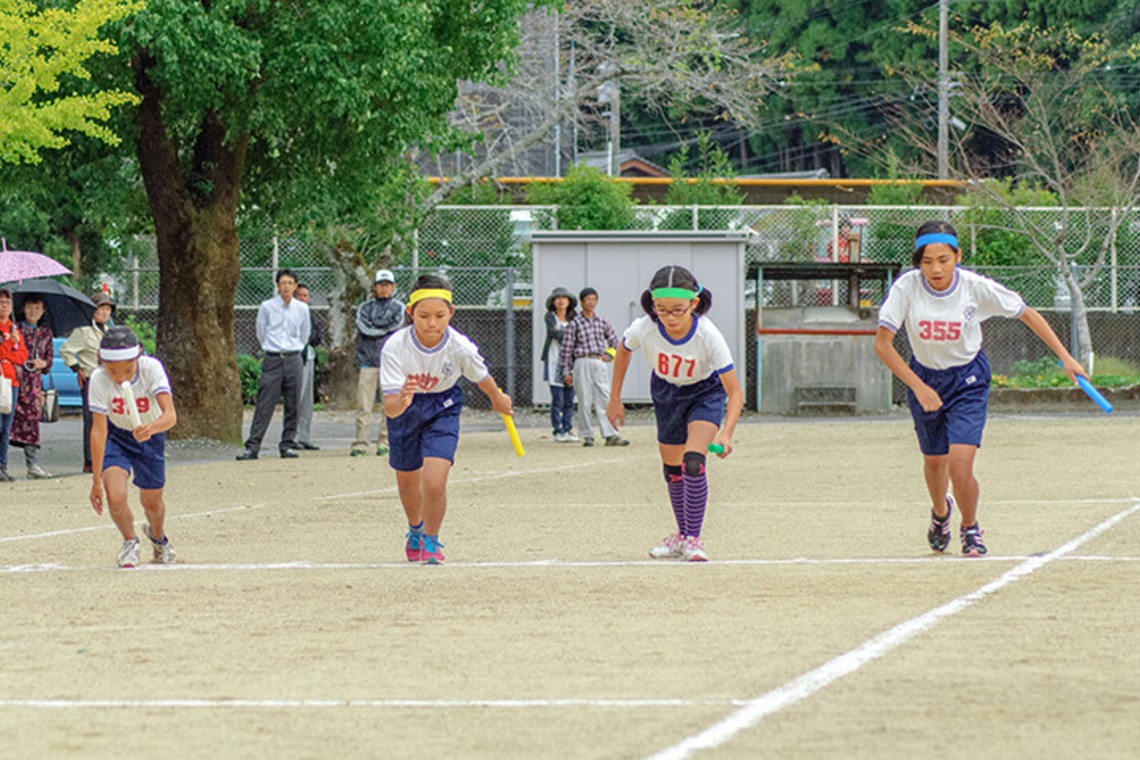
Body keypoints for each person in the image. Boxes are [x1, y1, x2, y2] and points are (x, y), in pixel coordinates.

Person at [874, 220, 1088, 557]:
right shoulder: (907, 288)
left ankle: (969, 528)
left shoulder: (975, 287)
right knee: (934, 463)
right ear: (918, 263)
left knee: (960, 465)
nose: (935, 268)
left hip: (968, 380)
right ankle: (941, 514)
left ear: (958, 256)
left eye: (943, 259)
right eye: (927, 261)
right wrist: (917, 387)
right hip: (925, 378)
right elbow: (883, 345)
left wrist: (1066, 358)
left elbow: (1027, 313)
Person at [606, 266, 743, 562]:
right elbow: (624, 349)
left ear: (694, 303)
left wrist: (727, 432)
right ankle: (681, 535)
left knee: (693, 462)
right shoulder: (645, 327)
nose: (669, 317)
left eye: (678, 310)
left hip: (705, 393)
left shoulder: (708, 335)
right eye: (662, 310)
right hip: (667, 393)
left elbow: (735, 392)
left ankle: (693, 539)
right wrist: (614, 398)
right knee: (673, 470)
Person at [381, 274, 513, 565]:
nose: (432, 323)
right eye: (424, 316)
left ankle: (431, 540)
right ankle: (415, 530)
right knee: (407, 482)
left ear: (451, 313)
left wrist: (497, 399)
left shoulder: (459, 346)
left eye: (440, 315)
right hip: (405, 409)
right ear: (410, 313)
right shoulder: (395, 347)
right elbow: (389, 408)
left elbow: (482, 376)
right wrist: (401, 401)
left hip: (443, 407)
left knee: (434, 481)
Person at [88, 326, 178, 567]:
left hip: (150, 435)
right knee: (115, 496)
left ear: (138, 357)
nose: (120, 377)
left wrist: (152, 428)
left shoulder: (151, 368)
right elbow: (98, 430)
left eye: (128, 369)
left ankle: (158, 538)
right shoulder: (98, 378)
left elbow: (170, 415)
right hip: (117, 436)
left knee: (152, 503)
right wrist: (96, 479)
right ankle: (130, 541)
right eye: (113, 370)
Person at [236, 269, 310, 460]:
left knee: (293, 403)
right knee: (265, 402)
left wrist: (295, 349)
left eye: (290, 283)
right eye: (283, 283)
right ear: (277, 285)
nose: (286, 287)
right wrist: (272, 348)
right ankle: (253, 446)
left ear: (295, 286)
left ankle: (287, 445)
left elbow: (304, 333)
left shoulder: (302, 309)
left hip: (293, 357)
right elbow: (261, 331)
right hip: (273, 358)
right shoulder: (267, 307)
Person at [558, 286, 629, 447]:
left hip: (598, 361)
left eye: (593, 299)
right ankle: (587, 435)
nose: (591, 302)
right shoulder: (575, 323)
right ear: (582, 302)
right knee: (584, 399)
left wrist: (609, 355)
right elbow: (567, 349)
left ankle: (611, 434)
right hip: (581, 361)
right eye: (588, 299)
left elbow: (614, 340)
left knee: (604, 397)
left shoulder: (602, 322)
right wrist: (566, 371)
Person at [352, 269, 404, 457]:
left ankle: (385, 442)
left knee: (389, 404)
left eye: (387, 284)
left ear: (393, 286)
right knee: (363, 405)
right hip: (367, 361)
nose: (384, 288)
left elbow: (396, 326)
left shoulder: (399, 307)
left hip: (390, 363)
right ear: (374, 287)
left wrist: (377, 328)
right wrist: (383, 329)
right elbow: (363, 327)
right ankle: (360, 443)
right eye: (381, 284)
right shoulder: (364, 308)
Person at [61, 290, 115, 473]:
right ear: (92, 310)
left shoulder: (109, 332)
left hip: (108, 379)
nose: (105, 313)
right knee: (92, 421)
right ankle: (90, 460)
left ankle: (106, 457)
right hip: (91, 379)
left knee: (109, 419)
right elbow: (66, 350)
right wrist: (77, 368)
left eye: (108, 309)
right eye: (101, 308)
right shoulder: (83, 331)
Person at [11, 294, 54, 478]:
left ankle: (32, 464)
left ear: (43, 310)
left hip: (34, 386)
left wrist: (42, 363)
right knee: (6, 421)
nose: (33, 311)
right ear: (23, 308)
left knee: (31, 423)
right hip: (13, 380)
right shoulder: (15, 329)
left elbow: (49, 360)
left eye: (37, 308)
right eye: (29, 307)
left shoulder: (45, 333)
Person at [541, 286, 578, 442]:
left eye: (564, 298)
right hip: (554, 360)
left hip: (571, 361)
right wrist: (569, 336)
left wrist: (565, 335)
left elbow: (573, 336)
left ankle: (568, 428)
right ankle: (558, 430)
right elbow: (554, 333)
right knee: (558, 398)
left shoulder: (574, 318)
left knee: (570, 398)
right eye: (558, 298)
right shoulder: (550, 317)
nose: (561, 301)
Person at [0, 289, 30, 483]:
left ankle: (3, 464)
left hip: (12, 382)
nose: (4, 306)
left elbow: (23, 356)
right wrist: (10, 345)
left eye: (7, 303)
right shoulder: (11, 335)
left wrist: (8, 351)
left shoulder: (14, 329)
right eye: (1, 302)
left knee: (6, 427)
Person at [292, 282, 322, 451]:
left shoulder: (309, 313)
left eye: (305, 296)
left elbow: (316, 335)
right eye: (300, 295)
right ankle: (292, 436)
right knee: (297, 397)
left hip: (310, 358)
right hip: (297, 358)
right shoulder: (291, 312)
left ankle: (304, 436)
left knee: (307, 401)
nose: (303, 299)